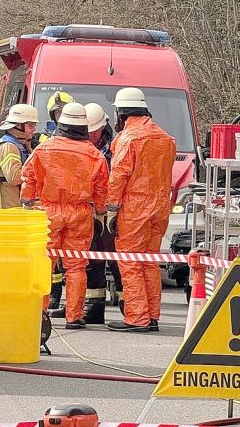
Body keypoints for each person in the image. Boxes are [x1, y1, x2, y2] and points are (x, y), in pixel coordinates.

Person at [22, 103, 108, 329]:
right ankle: (74, 316)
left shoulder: (44, 148)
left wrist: (27, 200)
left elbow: (28, 175)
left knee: (44, 264)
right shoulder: (94, 154)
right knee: (77, 266)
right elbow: (101, 188)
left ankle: (38, 314)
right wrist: (100, 210)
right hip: (79, 213)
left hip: (48, 211)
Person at [105, 88, 176, 332]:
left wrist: (111, 209)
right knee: (150, 261)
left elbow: (119, 176)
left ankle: (136, 317)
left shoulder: (128, 139)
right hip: (160, 207)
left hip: (135, 208)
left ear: (121, 112)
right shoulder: (165, 138)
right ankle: (152, 315)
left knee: (130, 260)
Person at [81, 102, 121, 325]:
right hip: (91, 211)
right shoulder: (85, 148)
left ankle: (128, 307)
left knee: (116, 260)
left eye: (93, 131)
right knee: (92, 260)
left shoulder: (115, 148)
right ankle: (94, 309)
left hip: (111, 212)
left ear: (103, 128)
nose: (90, 136)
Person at [0, 104, 39, 208]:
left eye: (35, 125)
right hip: (11, 210)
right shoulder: (8, 146)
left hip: (19, 208)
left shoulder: (21, 144)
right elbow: (15, 178)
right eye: (31, 125)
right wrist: (38, 167)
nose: (34, 129)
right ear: (18, 125)